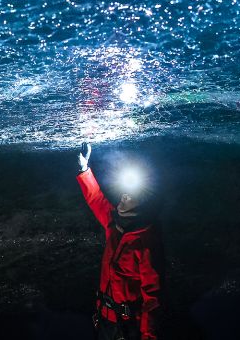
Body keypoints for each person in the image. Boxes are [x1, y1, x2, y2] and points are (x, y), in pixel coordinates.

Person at [76, 143, 164, 340]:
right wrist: (84, 169)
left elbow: (153, 296)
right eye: (126, 192)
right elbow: (97, 200)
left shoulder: (147, 241)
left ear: (142, 205)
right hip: (104, 322)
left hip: (127, 328)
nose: (124, 195)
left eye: (131, 196)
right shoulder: (115, 224)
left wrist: (148, 336)